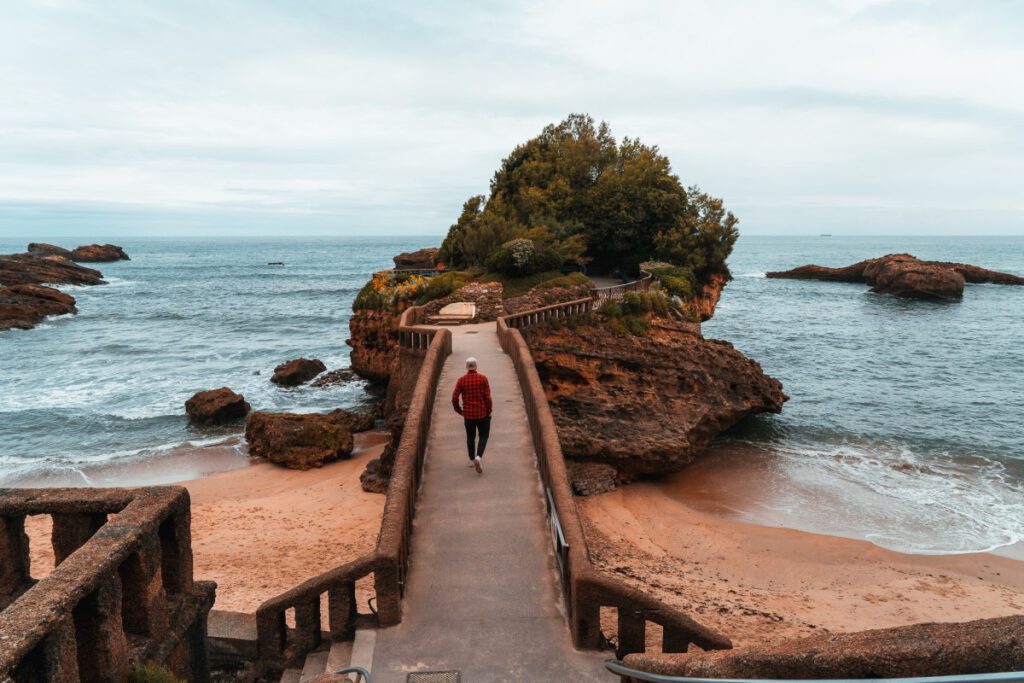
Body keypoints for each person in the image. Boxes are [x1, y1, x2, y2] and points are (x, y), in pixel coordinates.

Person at [452, 356, 492, 473]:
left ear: (466, 368)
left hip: (468, 415)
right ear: (476, 367)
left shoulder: (461, 380)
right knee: (484, 436)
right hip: (482, 414)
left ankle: (471, 459)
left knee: (470, 437)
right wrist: (489, 410)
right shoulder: (483, 379)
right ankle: (478, 457)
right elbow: (487, 398)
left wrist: (460, 411)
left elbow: (454, 398)